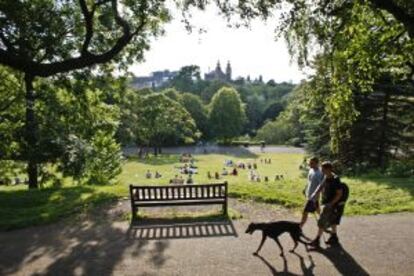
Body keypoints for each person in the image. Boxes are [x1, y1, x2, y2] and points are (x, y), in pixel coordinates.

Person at [309, 161, 347, 248]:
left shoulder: (335, 179)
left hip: (331, 205)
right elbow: (321, 186)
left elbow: (339, 194)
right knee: (333, 221)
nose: (321, 170)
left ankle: (317, 240)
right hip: (327, 203)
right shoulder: (326, 176)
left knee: (322, 221)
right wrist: (314, 194)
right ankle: (334, 237)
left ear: (329, 169)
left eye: (323, 169)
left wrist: (330, 204)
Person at [300, 157, 324, 228]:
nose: (310, 165)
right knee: (318, 210)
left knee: (305, 211)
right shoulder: (311, 170)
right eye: (309, 163)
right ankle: (324, 222)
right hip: (309, 194)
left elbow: (321, 185)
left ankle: (300, 227)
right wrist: (305, 189)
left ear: (317, 163)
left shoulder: (319, 173)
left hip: (313, 197)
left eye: (312, 163)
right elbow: (309, 181)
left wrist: (319, 195)